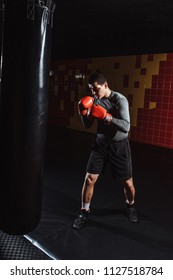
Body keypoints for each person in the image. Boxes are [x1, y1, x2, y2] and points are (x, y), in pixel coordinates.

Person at [73, 71, 139, 230]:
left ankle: (130, 205)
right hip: (100, 144)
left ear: (105, 85)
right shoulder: (94, 100)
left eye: (96, 89)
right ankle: (84, 211)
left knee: (127, 183)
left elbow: (126, 126)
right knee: (89, 179)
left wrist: (106, 117)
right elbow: (88, 125)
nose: (93, 93)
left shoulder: (119, 100)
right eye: (91, 90)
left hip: (119, 145)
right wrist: (82, 112)